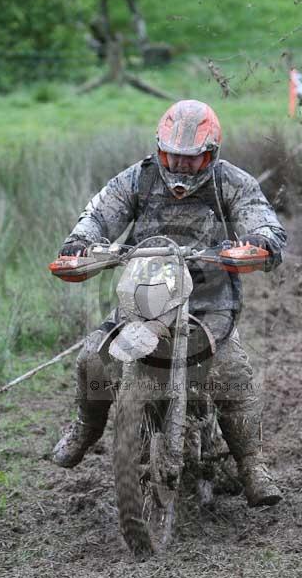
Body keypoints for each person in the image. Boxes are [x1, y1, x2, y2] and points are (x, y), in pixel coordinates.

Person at [53, 99, 286, 507]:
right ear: (159, 149)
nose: (180, 167)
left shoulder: (230, 182)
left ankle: (251, 463)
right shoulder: (137, 180)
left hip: (209, 304)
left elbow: (260, 217)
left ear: (210, 156)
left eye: (191, 160)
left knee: (231, 372)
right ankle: (85, 427)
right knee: (92, 357)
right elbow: (98, 214)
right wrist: (81, 243)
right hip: (142, 298)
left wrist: (259, 241)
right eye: (171, 157)